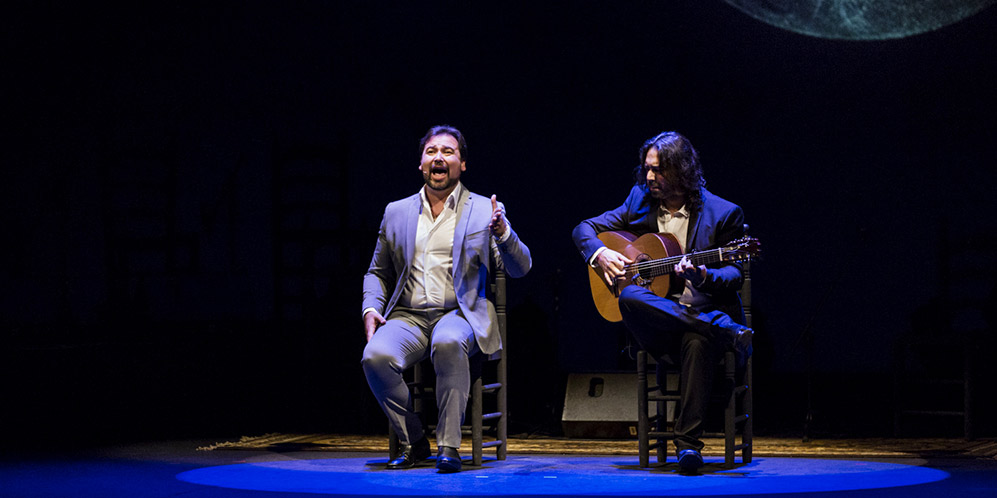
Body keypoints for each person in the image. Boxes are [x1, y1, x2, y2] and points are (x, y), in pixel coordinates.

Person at [571, 131, 752, 472]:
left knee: (697, 340)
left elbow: (734, 276)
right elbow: (583, 229)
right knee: (629, 296)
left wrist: (702, 276)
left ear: (683, 171)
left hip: (699, 320)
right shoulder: (638, 200)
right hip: (658, 328)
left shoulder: (724, 213)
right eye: (647, 169)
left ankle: (687, 448)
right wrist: (599, 253)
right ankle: (723, 330)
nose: (650, 177)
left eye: (659, 170)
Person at [361, 125, 532, 473]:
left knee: (449, 341)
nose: (439, 157)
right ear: (421, 163)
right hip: (407, 315)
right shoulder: (396, 211)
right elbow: (377, 271)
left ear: (462, 164)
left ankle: (449, 446)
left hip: (459, 312)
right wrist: (371, 308)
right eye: (431, 151)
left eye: (449, 152)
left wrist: (504, 233)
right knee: (374, 357)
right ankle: (414, 438)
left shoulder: (485, 210)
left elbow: (520, 267)